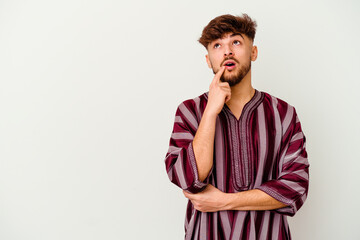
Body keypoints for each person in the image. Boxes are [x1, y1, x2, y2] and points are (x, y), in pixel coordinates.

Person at [164, 13, 309, 240]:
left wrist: (224, 201)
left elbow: (296, 186)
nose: (227, 51)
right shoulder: (189, 112)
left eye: (236, 42)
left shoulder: (283, 114)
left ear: (253, 52)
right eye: (217, 45)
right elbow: (188, 179)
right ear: (208, 59)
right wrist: (211, 110)